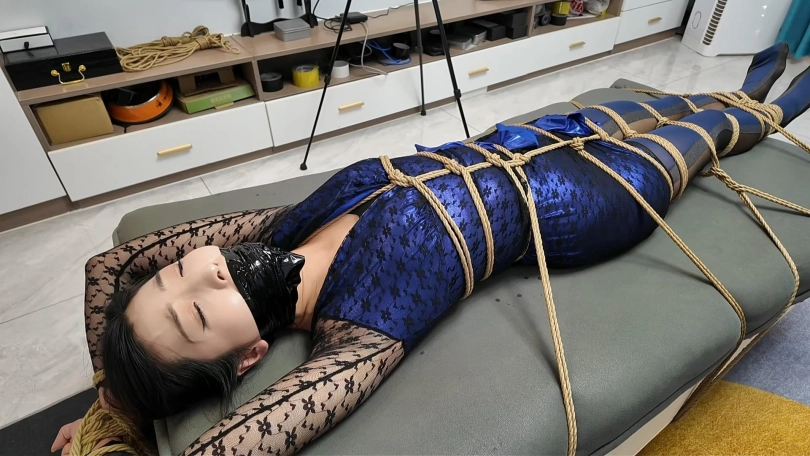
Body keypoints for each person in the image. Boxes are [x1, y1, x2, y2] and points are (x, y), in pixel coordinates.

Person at [55, 44, 809, 456]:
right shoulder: (360, 332)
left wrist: (111, 395)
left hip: (513, 141)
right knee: (702, 137)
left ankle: (731, 88)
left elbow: (108, 266)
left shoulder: (279, 230)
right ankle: (772, 107)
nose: (207, 270)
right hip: (582, 202)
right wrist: (125, 436)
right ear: (250, 357)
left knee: (662, 105)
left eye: (180, 274)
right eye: (196, 314)